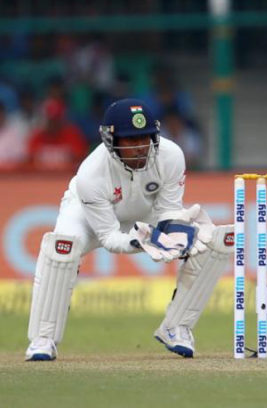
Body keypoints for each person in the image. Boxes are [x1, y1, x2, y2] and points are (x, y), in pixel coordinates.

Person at [25, 98, 233, 361]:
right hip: (88, 216)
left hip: (147, 212)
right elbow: (109, 238)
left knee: (210, 240)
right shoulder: (91, 174)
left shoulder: (171, 156)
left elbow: (168, 208)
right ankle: (43, 338)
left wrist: (175, 231)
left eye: (145, 139)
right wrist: (138, 242)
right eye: (130, 140)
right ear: (111, 141)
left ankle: (177, 327)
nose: (139, 148)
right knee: (61, 248)